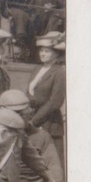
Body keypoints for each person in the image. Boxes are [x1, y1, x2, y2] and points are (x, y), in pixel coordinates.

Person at [28, 32, 66, 167]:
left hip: (49, 123)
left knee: (51, 163)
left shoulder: (60, 72)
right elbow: (30, 93)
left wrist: (34, 121)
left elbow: (55, 102)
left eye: (47, 51)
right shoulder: (37, 69)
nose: (42, 54)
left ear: (56, 54)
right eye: (41, 51)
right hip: (32, 120)